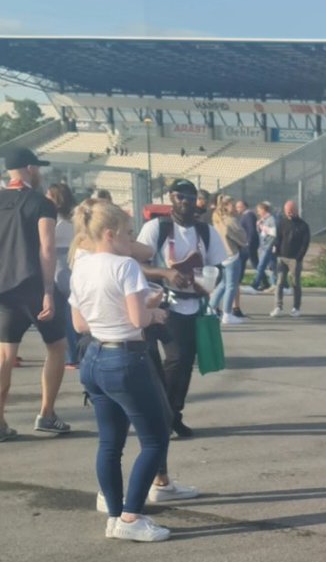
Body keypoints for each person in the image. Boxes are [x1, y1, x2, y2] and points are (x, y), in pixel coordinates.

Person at [70, 199, 199, 542]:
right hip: (126, 358)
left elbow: (79, 322)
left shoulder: (80, 265)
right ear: (110, 234)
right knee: (155, 439)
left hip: (94, 358)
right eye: (128, 234)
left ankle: (115, 515)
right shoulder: (124, 267)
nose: (133, 242)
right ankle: (130, 516)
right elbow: (138, 320)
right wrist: (154, 312)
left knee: (109, 443)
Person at [136, 178, 228, 439]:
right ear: (170, 198)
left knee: (185, 363)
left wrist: (209, 282)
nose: (185, 203)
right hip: (164, 303)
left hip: (194, 306)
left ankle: (173, 414)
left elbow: (219, 267)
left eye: (189, 198)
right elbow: (138, 264)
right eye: (179, 197)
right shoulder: (157, 228)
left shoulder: (206, 231)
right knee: (174, 360)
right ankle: (161, 417)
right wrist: (164, 272)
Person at [0, 146, 71, 440]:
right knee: (56, 346)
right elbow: (46, 247)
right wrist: (48, 292)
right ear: (30, 169)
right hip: (32, 285)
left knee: (5, 355)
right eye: (37, 168)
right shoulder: (42, 203)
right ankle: (46, 412)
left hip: (3, 288)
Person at [45, 182, 81, 367]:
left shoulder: (53, 219)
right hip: (73, 261)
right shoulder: (74, 218)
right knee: (73, 309)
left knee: (65, 314)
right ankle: (76, 352)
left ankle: (71, 355)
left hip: (59, 264)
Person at [209, 195, 248, 326]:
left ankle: (211, 307)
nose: (234, 207)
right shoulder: (230, 221)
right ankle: (227, 314)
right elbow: (242, 237)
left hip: (222, 255)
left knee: (223, 284)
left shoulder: (217, 219)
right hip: (232, 255)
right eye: (232, 204)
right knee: (231, 285)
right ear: (226, 206)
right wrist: (243, 241)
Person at [272, 200, 309, 318]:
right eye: (287, 211)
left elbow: (305, 243)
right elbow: (278, 238)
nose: (289, 214)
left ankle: (296, 308)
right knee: (279, 282)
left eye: (291, 211)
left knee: (295, 284)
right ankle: (278, 306)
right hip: (282, 257)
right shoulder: (282, 223)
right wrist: (275, 249)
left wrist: (299, 257)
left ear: (296, 211)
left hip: (295, 259)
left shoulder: (303, 225)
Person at [250, 202, 277, 292]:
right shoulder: (264, 220)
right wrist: (259, 225)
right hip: (264, 246)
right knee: (271, 266)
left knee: (261, 266)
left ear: (264, 210)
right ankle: (275, 284)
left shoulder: (271, 219)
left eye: (259, 210)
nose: (258, 213)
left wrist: (262, 227)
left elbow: (274, 232)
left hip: (268, 246)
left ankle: (255, 285)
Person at [236, 199, 258, 285]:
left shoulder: (249, 216)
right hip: (246, 244)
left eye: (238, 207)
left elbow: (251, 230)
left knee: (254, 263)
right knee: (243, 262)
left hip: (248, 244)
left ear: (244, 207)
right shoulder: (245, 215)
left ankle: (263, 281)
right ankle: (238, 280)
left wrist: (249, 242)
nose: (237, 209)